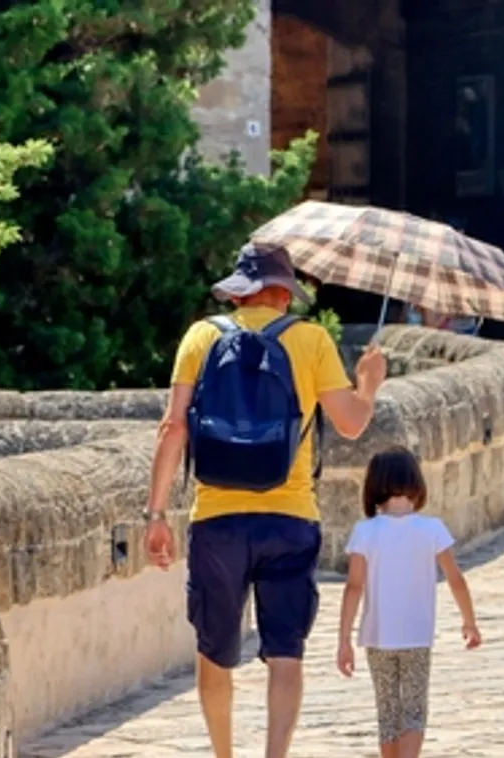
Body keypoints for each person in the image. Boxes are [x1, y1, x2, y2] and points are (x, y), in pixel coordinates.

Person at [142, 242, 389, 758]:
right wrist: (368, 384)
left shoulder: (201, 336)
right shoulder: (311, 340)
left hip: (216, 518)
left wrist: (157, 514)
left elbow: (173, 429)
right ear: (282, 293)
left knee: (214, 652)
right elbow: (350, 423)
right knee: (285, 654)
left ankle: (224, 755)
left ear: (239, 292)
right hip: (291, 517)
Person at [336, 446, 482, 758]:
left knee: (387, 711)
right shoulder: (431, 529)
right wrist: (469, 621)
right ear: (416, 483)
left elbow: (353, 587)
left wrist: (344, 639)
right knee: (414, 710)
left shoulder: (365, 531)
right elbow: (456, 579)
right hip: (417, 634)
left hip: (377, 635)